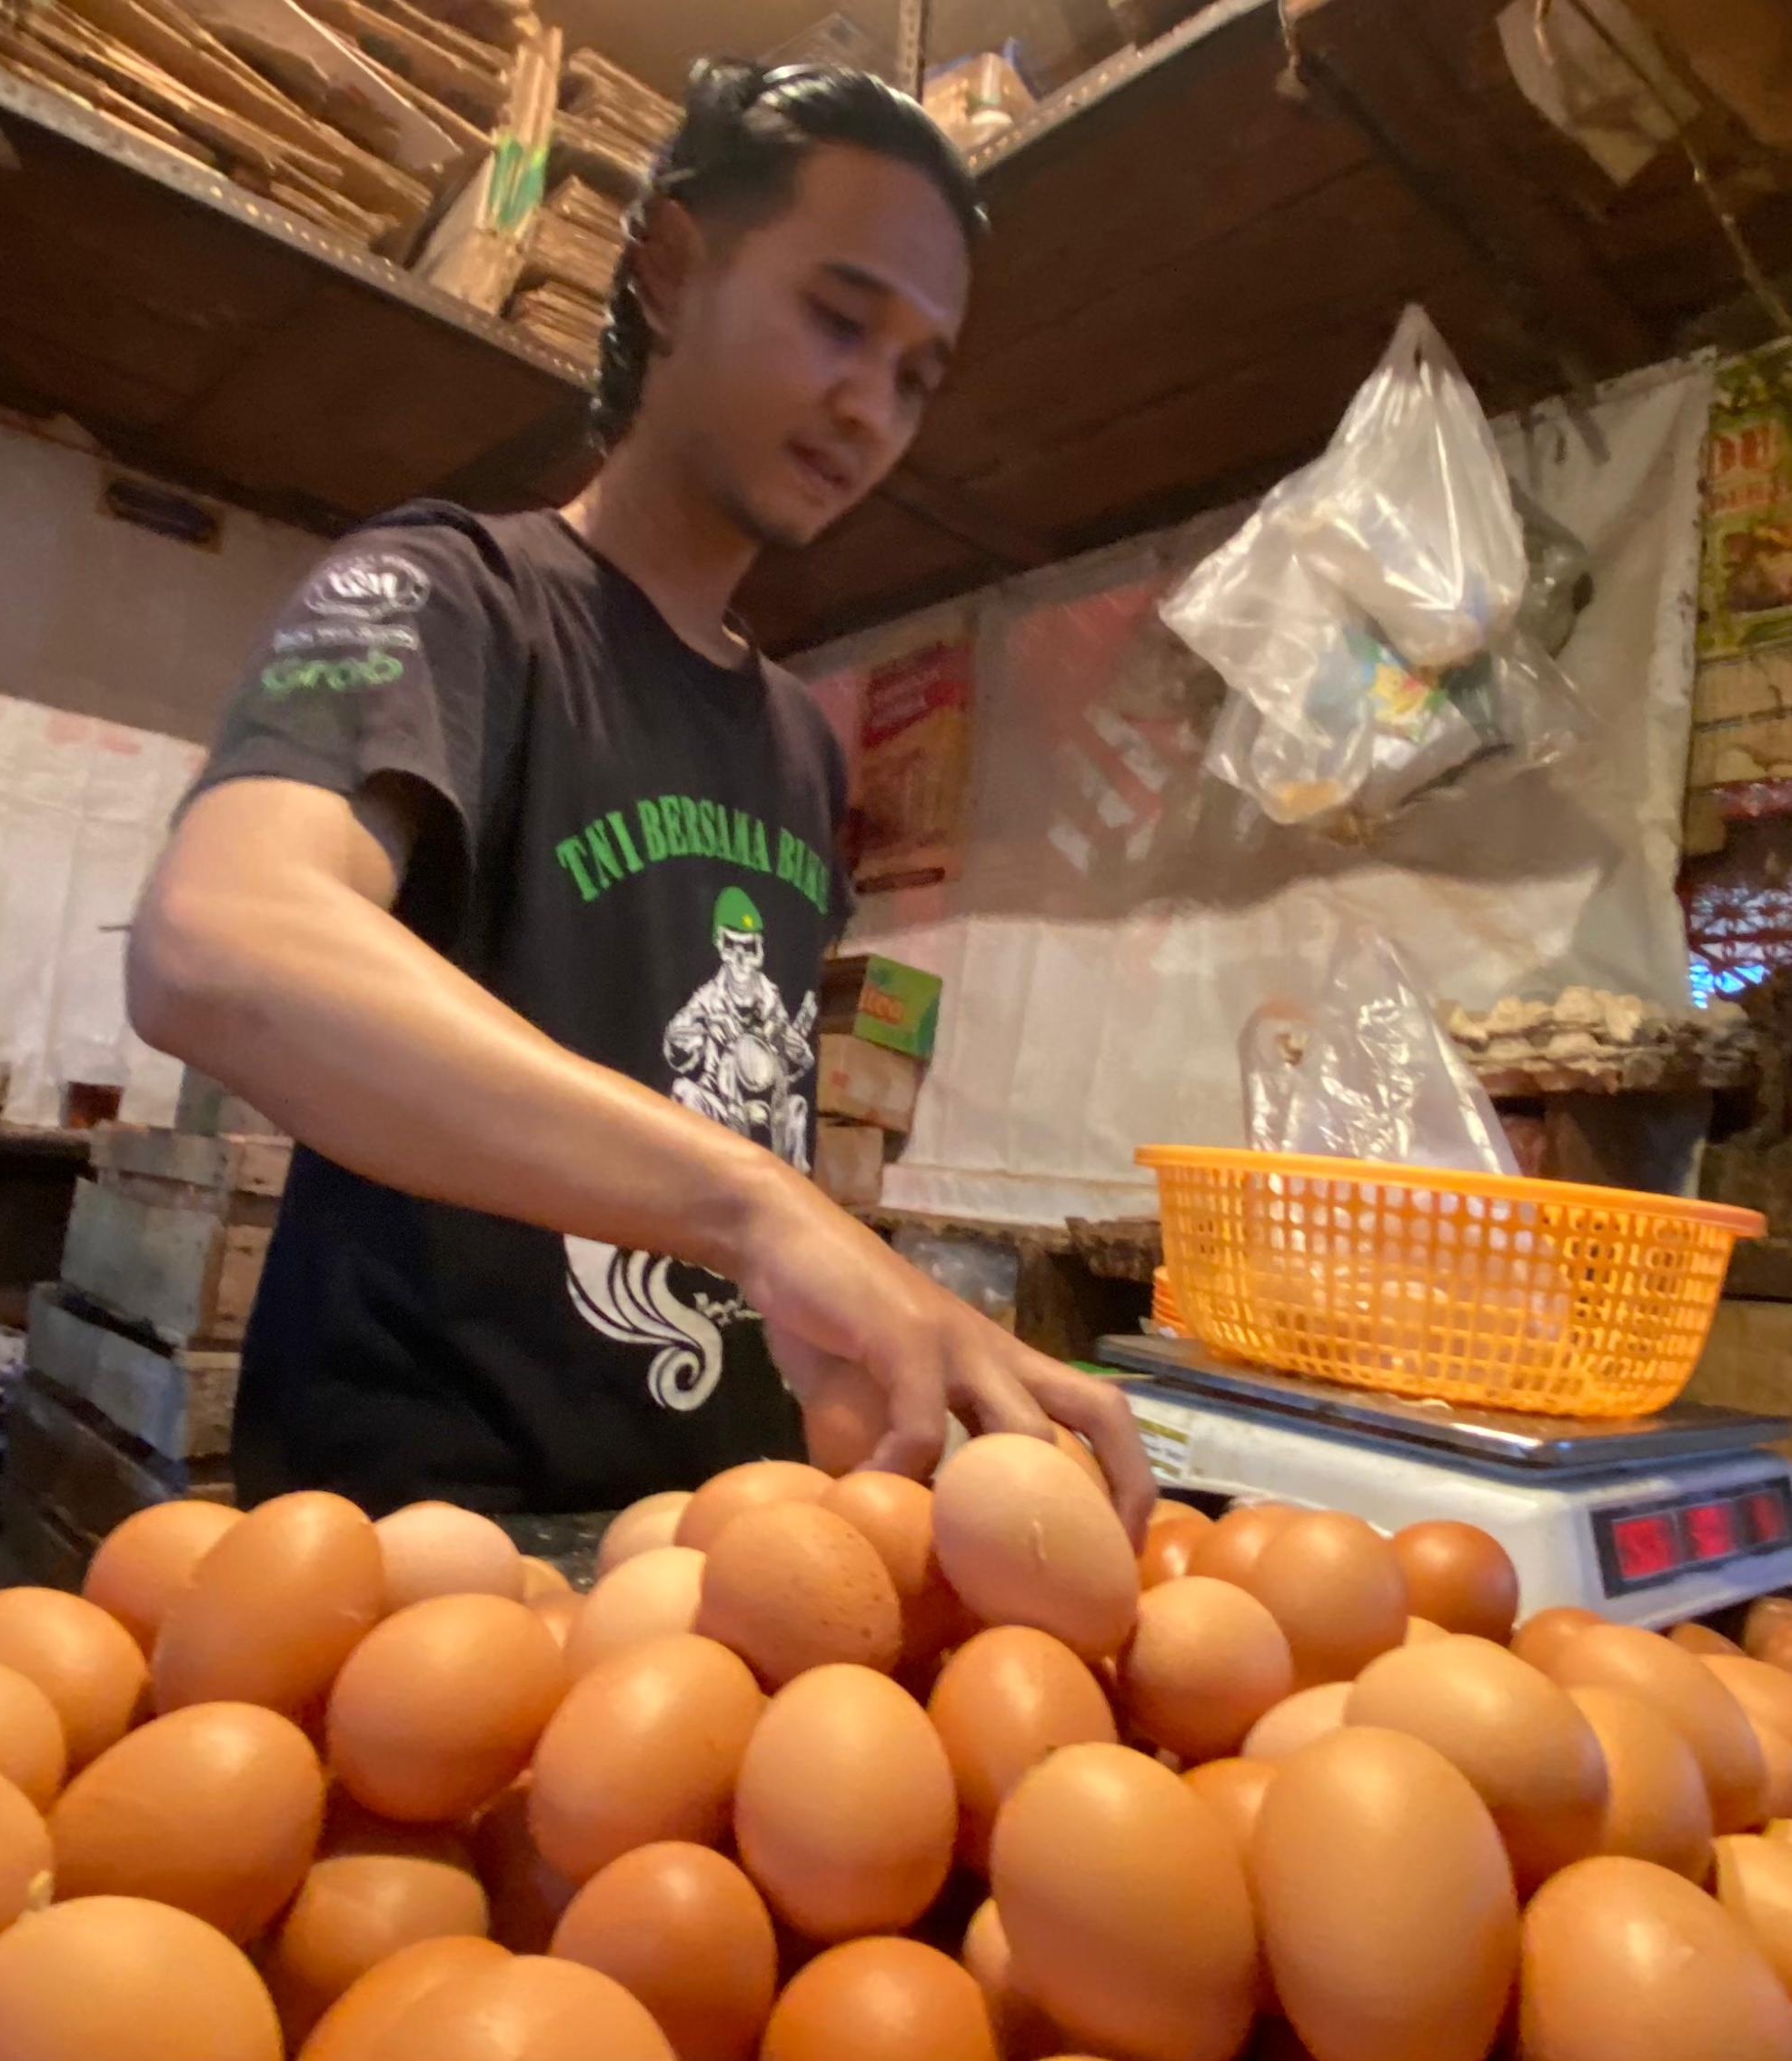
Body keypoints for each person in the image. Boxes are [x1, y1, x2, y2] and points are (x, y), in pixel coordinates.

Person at [127, 60, 1153, 1533]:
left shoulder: (803, 749)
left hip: (708, 1542)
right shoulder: (447, 599)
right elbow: (217, 945)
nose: (871, 405)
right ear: (670, 269)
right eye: (838, 318)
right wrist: (757, 1205)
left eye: (918, 372)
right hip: (419, 1546)